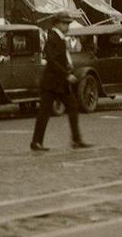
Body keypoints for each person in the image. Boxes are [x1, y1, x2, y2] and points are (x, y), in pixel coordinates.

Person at [31, 12, 91, 152]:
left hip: (58, 82)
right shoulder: (53, 37)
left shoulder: (59, 37)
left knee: (72, 107)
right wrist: (66, 75)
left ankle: (75, 139)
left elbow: (60, 58)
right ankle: (36, 142)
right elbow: (51, 60)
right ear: (58, 24)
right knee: (46, 112)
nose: (67, 26)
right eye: (65, 23)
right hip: (52, 82)